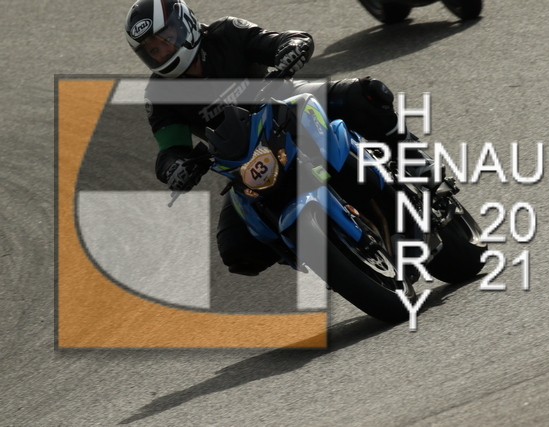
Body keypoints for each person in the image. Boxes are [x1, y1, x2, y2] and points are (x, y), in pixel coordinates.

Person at [124, 0, 413, 276]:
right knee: (237, 251)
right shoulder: (159, 94)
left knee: (364, 95)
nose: (164, 50)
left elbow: (279, 41)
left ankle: (415, 162)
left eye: (166, 37)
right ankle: (327, 255)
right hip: (245, 158)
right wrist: (174, 168)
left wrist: (292, 47)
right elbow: (170, 149)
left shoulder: (226, 31)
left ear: (184, 23)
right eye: (153, 49)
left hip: (286, 104)